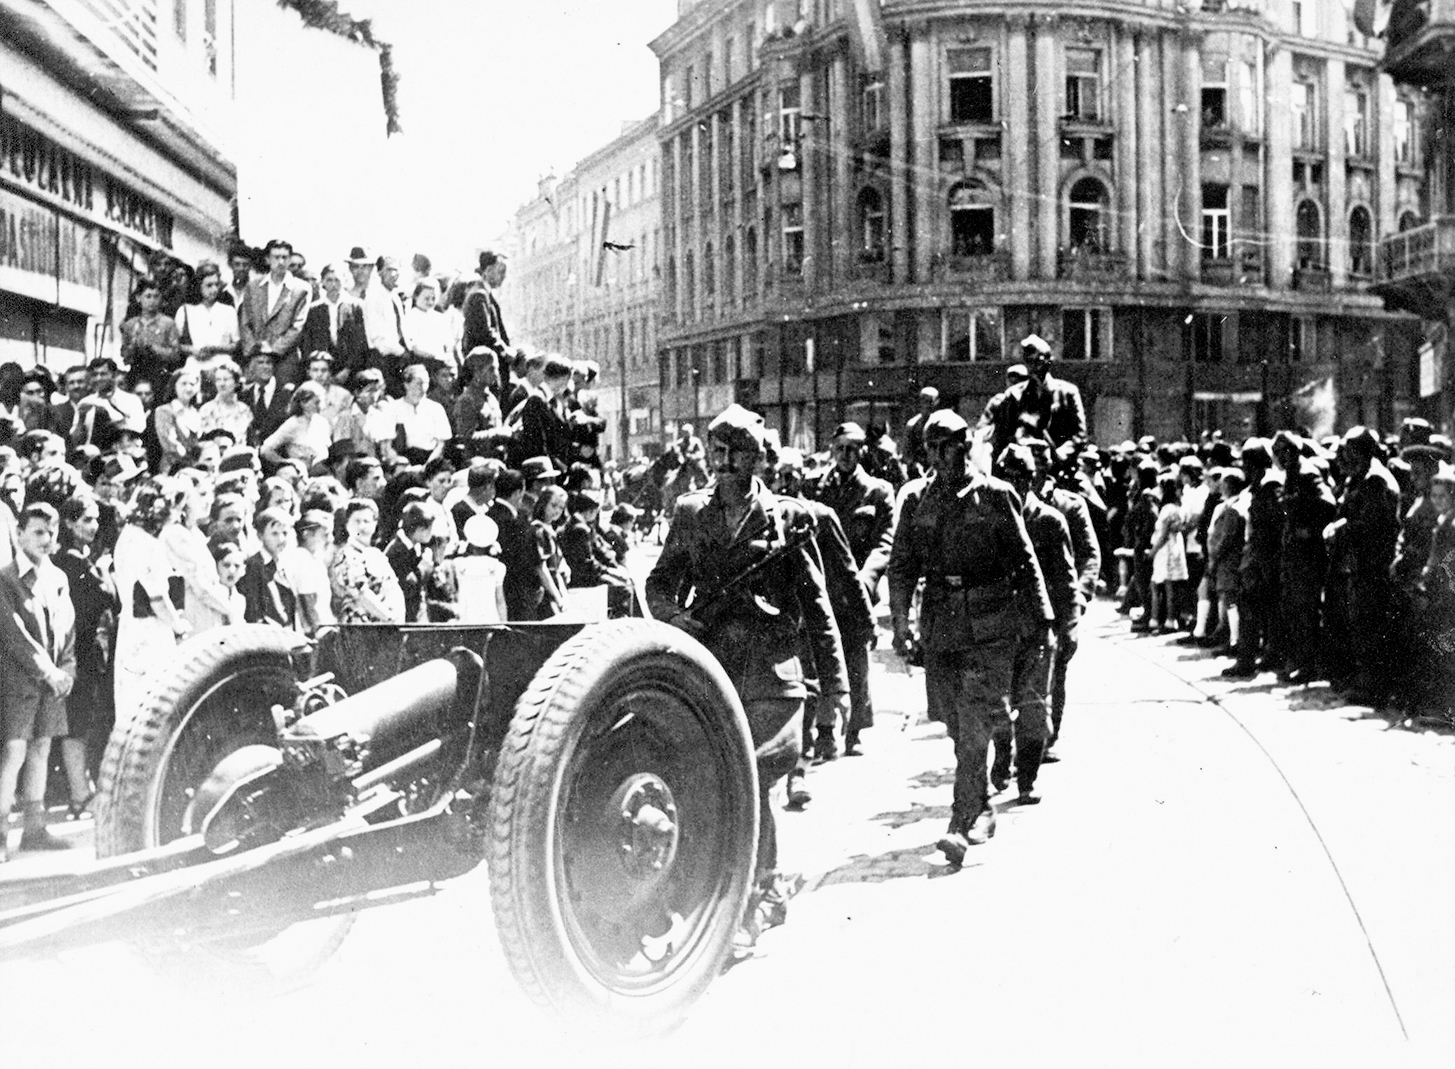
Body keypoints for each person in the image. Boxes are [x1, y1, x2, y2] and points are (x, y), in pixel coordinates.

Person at [646, 403, 848, 946]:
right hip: (715, 671)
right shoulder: (691, 513)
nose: (722, 465)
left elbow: (818, 604)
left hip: (774, 677)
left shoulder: (787, 519)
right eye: (716, 454)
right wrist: (674, 617)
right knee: (711, 777)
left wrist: (836, 687)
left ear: (756, 461)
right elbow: (659, 584)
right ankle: (742, 892)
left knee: (750, 773)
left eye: (733, 455)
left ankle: (756, 894)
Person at [887, 409, 1052, 866]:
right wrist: (901, 623)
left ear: (967, 446)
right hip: (941, 624)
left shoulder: (996, 496)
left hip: (991, 622)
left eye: (953, 446)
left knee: (974, 718)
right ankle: (981, 806)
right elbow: (901, 565)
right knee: (953, 721)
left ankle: (959, 824)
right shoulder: (917, 501)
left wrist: (1042, 623)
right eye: (935, 448)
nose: (945, 457)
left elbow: (1025, 561)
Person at [990, 444, 1075, 805]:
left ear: (1031, 479)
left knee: (1033, 706)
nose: (1015, 485)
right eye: (1006, 478)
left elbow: (1065, 579)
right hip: (996, 629)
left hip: (1039, 629)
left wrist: (1069, 625)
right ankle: (1002, 753)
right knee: (996, 703)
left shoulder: (1050, 521)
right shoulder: (988, 520)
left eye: (1021, 478)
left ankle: (1027, 778)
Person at [0, 502, 76, 859]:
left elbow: (67, 628)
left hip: (53, 683)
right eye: (38, 532)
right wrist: (47, 671)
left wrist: (67, 671)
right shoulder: (6, 579)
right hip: (19, 681)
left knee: (41, 749)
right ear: (19, 534)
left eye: (51, 532)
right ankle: (0, 832)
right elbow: (14, 635)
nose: (46, 539)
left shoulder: (57, 578)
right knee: (13, 751)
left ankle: (35, 828)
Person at [54, 496, 117, 815]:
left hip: (90, 648)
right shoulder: (72, 561)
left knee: (85, 720)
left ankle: (84, 789)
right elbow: (107, 596)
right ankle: (79, 793)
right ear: (68, 523)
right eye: (85, 520)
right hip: (77, 649)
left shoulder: (81, 558)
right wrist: (104, 569)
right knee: (77, 722)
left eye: (94, 520)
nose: (92, 526)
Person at [112, 481, 190, 722]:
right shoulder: (150, 546)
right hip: (151, 633)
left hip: (129, 630)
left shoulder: (126, 536)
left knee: (130, 708)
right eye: (178, 508)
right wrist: (179, 626)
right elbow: (157, 600)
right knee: (154, 709)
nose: (180, 514)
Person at [979, 333, 1088, 469]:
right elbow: (1002, 435)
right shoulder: (1014, 395)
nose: (1034, 367)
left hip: (1058, 468)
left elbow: (1080, 434)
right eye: (1029, 361)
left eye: (1038, 361)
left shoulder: (1067, 392)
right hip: (1023, 468)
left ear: (1049, 361)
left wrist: (1060, 455)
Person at [163, 469, 237, 637]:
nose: (209, 500)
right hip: (194, 618)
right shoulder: (175, 534)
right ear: (185, 499)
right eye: (202, 494)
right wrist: (232, 611)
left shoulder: (196, 533)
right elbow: (201, 588)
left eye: (209, 494)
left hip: (211, 615)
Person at [238, 238, 312, 384]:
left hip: (284, 359)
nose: (281, 262)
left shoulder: (301, 288)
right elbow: (245, 322)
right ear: (267, 259)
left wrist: (273, 350)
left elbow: (297, 327)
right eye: (276, 257)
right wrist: (255, 350)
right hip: (256, 356)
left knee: (282, 399)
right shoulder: (253, 286)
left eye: (285, 257)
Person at [239, 506, 314, 634]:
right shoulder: (254, 566)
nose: (281, 539)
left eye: (284, 533)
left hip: (288, 636)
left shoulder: (284, 564)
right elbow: (254, 611)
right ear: (260, 536)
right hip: (269, 638)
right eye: (274, 534)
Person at [330, 499, 405, 623]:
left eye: (366, 521)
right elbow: (361, 594)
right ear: (347, 525)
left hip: (386, 626)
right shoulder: (347, 555)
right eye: (357, 521)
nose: (362, 526)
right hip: (363, 627)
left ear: (375, 524)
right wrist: (389, 618)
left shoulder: (376, 554)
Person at [298, 263, 369, 385]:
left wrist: (348, 369)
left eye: (337, 280)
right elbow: (308, 343)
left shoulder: (356, 306)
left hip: (350, 369)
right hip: (323, 369)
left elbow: (360, 341)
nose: (334, 284)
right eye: (329, 280)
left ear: (344, 281)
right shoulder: (314, 309)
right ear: (323, 283)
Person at [461, 250, 516, 396]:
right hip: (483, 367)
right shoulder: (479, 295)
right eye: (501, 271)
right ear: (488, 270)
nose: (504, 276)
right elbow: (484, 332)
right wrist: (505, 351)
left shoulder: (483, 293)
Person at [176, 260, 240, 374]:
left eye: (216, 284)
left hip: (222, 362)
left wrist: (215, 349)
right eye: (209, 285)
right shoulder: (186, 310)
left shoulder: (228, 310)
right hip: (195, 363)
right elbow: (176, 344)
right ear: (199, 286)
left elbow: (235, 344)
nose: (214, 289)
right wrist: (193, 350)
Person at [120, 276, 181, 392]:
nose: (152, 301)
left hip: (160, 374)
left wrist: (154, 348)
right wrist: (133, 347)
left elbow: (176, 354)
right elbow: (124, 355)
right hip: (136, 373)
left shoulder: (167, 323)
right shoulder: (131, 325)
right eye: (148, 296)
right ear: (139, 298)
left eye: (156, 296)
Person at [383, 364, 452, 466]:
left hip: (430, 462)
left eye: (426, 383)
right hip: (402, 462)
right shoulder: (393, 408)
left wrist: (426, 467)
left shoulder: (436, 408)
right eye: (418, 383)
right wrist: (403, 465)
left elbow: (441, 444)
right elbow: (386, 446)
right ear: (406, 384)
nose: (422, 388)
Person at [261, 381, 332, 473]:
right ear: (303, 403)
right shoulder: (293, 424)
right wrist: (287, 463)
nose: (320, 406)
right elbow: (265, 450)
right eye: (316, 402)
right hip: (303, 472)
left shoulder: (322, 422)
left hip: (323, 469)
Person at [385, 502, 435, 622]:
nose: (431, 534)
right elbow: (409, 585)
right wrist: (423, 568)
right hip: (402, 612)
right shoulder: (397, 551)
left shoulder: (416, 547)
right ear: (419, 530)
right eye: (429, 530)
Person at [152, 367, 203, 474]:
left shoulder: (196, 413)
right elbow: (169, 444)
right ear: (174, 386)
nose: (188, 388)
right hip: (174, 467)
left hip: (196, 467)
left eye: (192, 384)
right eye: (183, 384)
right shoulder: (164, 411)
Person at [530, 485, 570, 618]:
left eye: (561, 507)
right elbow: (542, 569)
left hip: (557, 585)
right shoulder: (539, 530)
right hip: (547, 591)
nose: (557, 511)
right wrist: (558, 597)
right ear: (543, 504)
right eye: (553, 505)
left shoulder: (551, 529)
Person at [242, 350, 295, 447]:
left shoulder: (287, 393)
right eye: (260, 363)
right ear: (251, 367)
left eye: (269, 363)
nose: (265, 367)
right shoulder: (244, 395)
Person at [198, 358, 253, 446]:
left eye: (226, 379)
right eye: (218, 380)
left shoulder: (244, 409)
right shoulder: (206, 409)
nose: (222, 384)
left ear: (236, 382)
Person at [405, 277, 457, 369]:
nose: (430, 302)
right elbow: (414, 347)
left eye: (433, 298)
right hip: (421, 361)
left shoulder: (440, 317)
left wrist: (448, 354)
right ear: (416, 296)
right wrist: (435, 356)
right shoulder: (410, 317)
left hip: (441, 362)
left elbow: (449, 342)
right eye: (426, 298)